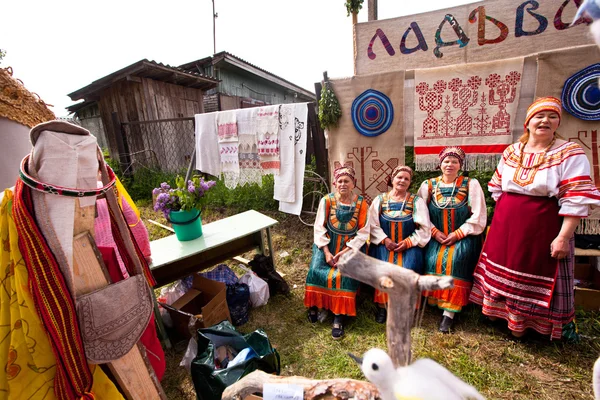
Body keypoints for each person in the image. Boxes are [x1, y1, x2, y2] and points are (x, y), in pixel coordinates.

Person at [469, 97, 600, 341]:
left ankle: (531, 328)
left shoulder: (569, 152)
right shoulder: (512, 151)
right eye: (539, 116)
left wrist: (563, 237)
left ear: (557, 123)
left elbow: (576, 198)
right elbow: (497, 188)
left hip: (544, 226)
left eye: (552, 117)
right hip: (506, 224)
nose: (545, 121)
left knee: (537, 270)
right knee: (503, 271)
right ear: (528, 122)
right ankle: (499, 316)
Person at [417, 146, 487, 333]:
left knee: (455, 261)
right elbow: (420, 214)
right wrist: (433, 231)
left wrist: (458, 234)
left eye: (454, 161)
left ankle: (449, 313)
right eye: (446, 161)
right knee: (432, 259)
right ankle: (435, 300)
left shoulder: (470, 184)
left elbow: (479, 216)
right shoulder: (428, 185)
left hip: (463, 236)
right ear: (440, 164)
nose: (450, 164)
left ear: (460, 165)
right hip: (436, 235)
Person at [304, 165, 370, 339]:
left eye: (346, 181)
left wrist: (346, 250)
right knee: (316, 269)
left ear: (353, 183)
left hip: (351, 247)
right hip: (327, 244)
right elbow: (319, 227)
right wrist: (326, 252)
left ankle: (338, 316)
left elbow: (364, 231)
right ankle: (315, 305)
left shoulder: (362, 203)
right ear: (334, 183)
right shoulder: (326, 200)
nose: (343, 184)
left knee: (344, 275)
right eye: (339, 181)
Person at [368, 165, 432, 323]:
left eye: (406, 179)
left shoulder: (416, 201)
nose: (402, 181)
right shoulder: (380, 200)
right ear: (392, 179)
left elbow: (425, 228)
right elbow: (371, 224)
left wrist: (409, 242)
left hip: (408, 246)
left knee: (408, 269)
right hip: (384, 245)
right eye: (399, 177)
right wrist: (385, 240)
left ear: (410, 183)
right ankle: (383, 307)